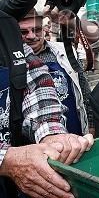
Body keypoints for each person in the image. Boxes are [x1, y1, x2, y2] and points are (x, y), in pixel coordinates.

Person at [0, 0, 94, 198]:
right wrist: (7, 158)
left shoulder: (5, 28)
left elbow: (35, 82)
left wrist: (52, 134)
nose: (29, 36)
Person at [18, 8, 94, 136]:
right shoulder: (11, 62)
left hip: (77, 134)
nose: (31, 36)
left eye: (36, 29)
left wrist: (91, 124)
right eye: (24, 32)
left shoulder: (64, 51)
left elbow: (84, 89)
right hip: (39, 141)